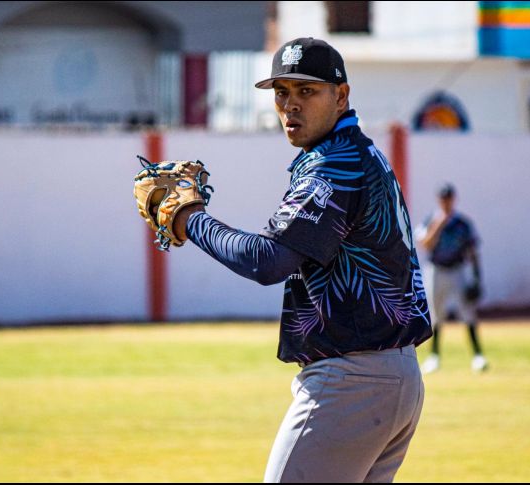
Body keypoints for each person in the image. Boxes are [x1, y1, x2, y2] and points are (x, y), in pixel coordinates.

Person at [172, 37, 433, 482]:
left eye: (307, 92)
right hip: (393, 375)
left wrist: (188, 218)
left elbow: (267, 262)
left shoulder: (336, 164)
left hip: (354, 381)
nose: (290, 105)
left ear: (341, 95)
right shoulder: (360, 153)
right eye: (282, 93)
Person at [416, 183, 488, 374]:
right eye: (443, 198)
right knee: (436, 314)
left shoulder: (462, 223)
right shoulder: (431, 219)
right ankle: (434, 356)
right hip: (435, 270)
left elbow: (473, 251)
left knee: (468, 312)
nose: (446, 202)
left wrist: (477, 278)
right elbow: (425, 244)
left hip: (457, 270)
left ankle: (478, 355)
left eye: (449, 198)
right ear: (439, 200)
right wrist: (439, 224)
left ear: (453, 199)